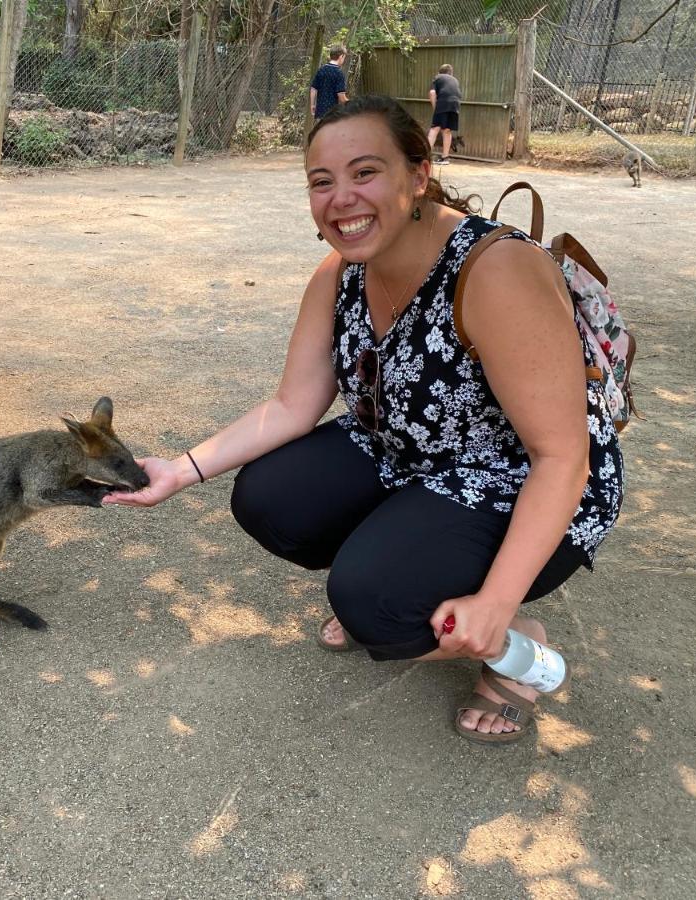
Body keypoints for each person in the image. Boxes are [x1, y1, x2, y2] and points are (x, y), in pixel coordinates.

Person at [104, 94, 623, 744]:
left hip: (521, 480)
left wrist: (493, 604)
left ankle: (516, 647)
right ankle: (405, 579)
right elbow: (292, 405)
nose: (340, 197)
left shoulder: (496, 273)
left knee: (373, 603)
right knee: (268, 499)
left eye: (365, 172)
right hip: (407, 453)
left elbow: (562, 458)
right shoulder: (342, 271)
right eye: (322, 182)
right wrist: (179, 472)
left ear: (418, 174)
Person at [427, 63, 462, 164]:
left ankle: (426, 156)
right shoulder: (455, 80)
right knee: (447, 130)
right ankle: (445, 158)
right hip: (455, 104)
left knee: (435, 128)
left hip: (444, 102)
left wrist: (435, 108)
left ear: (440, 72)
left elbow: (432, 93)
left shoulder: (437, 77)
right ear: (451, 73)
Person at [310, 47, 349, 120]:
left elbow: (313, 89)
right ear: (341, 56)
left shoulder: (321, 70)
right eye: (344, 58)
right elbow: (341, 97)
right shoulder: (339, 73)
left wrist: (312, 105)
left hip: (320, 112)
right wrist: (352, 103)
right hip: (332, 114)